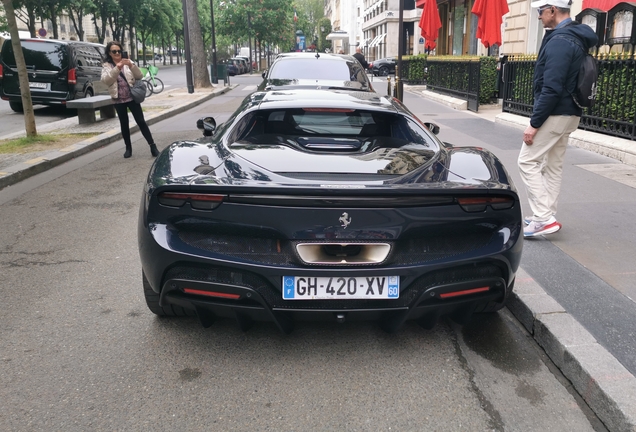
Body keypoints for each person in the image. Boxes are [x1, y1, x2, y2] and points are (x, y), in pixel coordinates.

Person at [519, 0, 597, 237]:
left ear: (552, 10)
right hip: (570, 112)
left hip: (555, 113)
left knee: (527, 161)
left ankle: (543, 217)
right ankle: (545, 214)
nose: (540, 17)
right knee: (552, 165)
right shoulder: (575, 37)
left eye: (541, 12)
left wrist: (534, 124)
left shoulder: (560, 42)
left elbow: (551, 88)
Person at [101, 41, 159, 159]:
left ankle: (152, 146)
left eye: (119, 51)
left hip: (131, 97)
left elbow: (139, 76)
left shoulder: (128, 63)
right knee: (124, 124)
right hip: (118, 99)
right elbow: (106, 81)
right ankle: (128, 148)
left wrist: (131, 65)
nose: (117, 53)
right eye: (114, 51)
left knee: (141, 121)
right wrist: (117, 68)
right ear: (109, 53)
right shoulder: (106, 66)